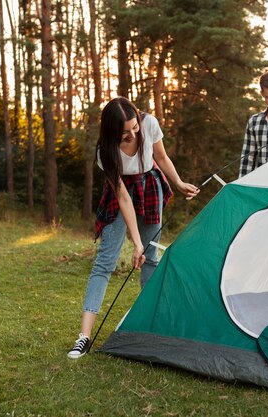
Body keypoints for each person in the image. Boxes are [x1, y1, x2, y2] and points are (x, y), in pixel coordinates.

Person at [68, 97, 199, 359]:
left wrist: (178, 181)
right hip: (121, 193)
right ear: (112, 131)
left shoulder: (149, 123)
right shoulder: (105, 151)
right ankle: (84, 336)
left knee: (151, 258)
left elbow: (160, 156)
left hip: (150, 186)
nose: (132, 134)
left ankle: (151, 326)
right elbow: (123, 197)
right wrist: (136, 241)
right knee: (105, 262)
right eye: (125, 132)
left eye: (134, 127)